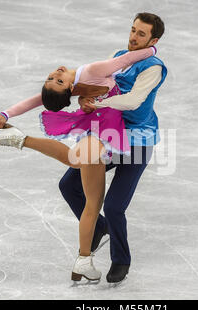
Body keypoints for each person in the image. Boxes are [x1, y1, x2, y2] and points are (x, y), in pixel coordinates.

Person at [0, 45, 158, 282]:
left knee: (93, 202)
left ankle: (84, 260)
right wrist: (6, 113)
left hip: (103, 130)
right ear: (68, 90)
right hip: (101, 130)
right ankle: (21, 139)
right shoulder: (80, 82)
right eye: (55, 80)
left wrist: (151, 50)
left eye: (55, 78)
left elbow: (126, 61)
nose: (57, 73)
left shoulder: (89, 74)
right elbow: (37, 100)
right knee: (81, 178)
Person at [61, 12, 167, 283]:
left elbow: (133, 100)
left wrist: (100, 105)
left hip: (138, 143)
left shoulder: (154, 67)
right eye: (133, 30)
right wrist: (86, 98)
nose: (133, 37)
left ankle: (121, 260)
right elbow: (100, 84)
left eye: (141, 34)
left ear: (153, 40)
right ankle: (100, 227)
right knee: (68, 184)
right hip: (110, 137)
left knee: (114, 205)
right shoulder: (119, 56)